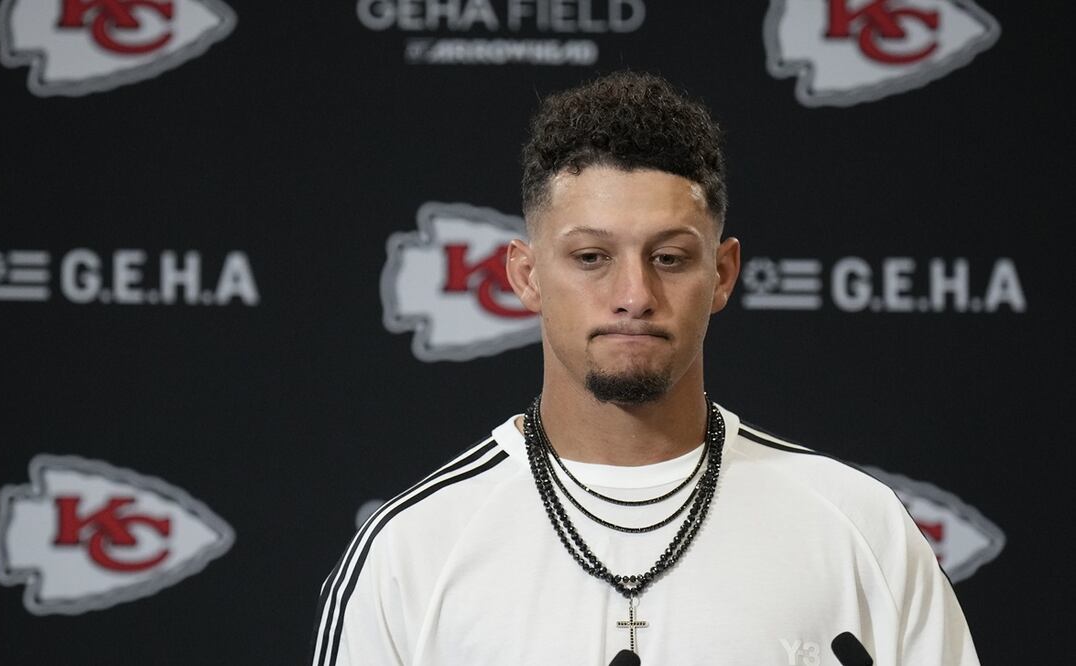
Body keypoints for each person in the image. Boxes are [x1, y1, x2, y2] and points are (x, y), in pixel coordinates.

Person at [310, 71, 979, 666]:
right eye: (592, 257)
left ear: (721, 274)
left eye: (669, 257)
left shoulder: (861, 528)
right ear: (526, 274)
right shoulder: (414, 551)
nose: (633, 295)